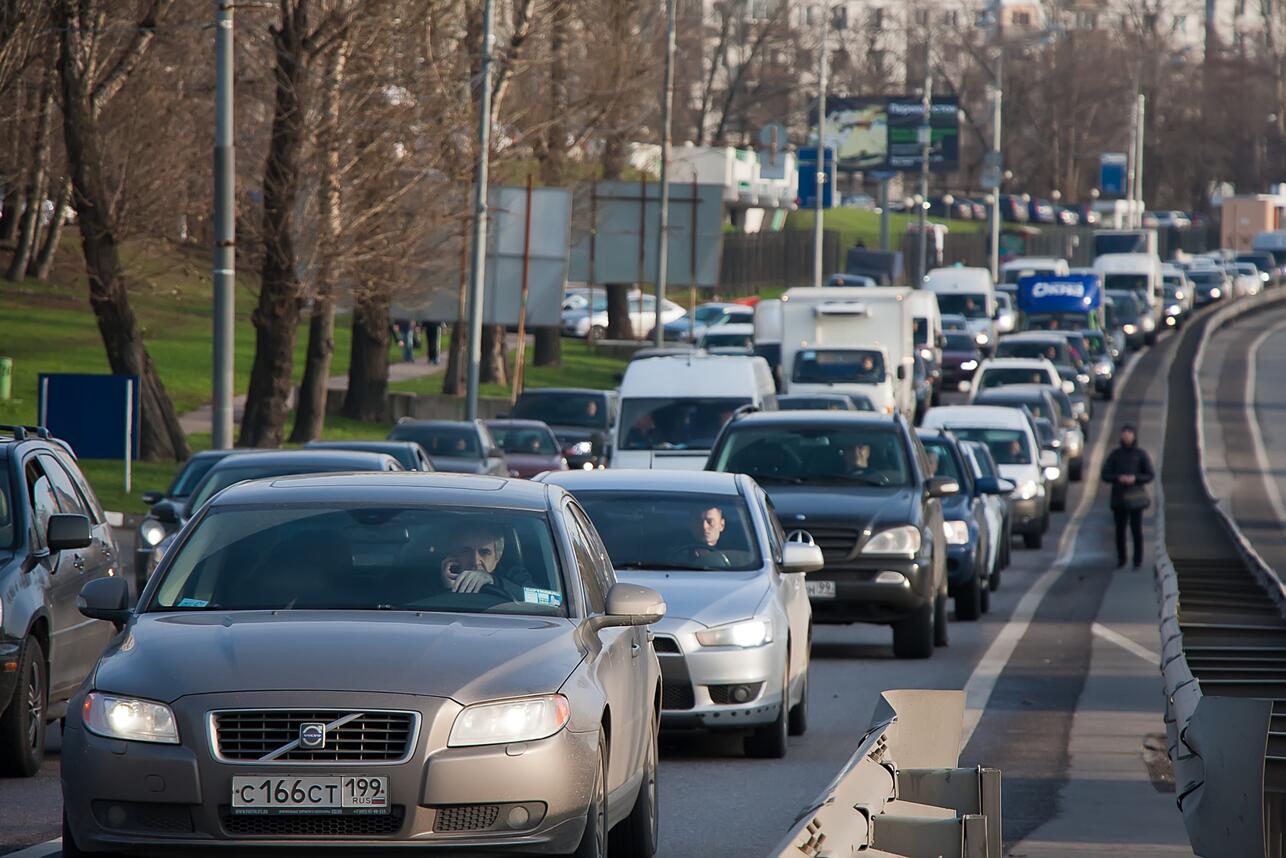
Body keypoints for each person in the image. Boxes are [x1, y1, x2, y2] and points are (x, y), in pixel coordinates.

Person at [1100, 423, 1155, 569]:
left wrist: (1135, 479)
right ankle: (1121, 558)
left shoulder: (1140, 454)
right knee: (1120, 531)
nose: (1127, 436)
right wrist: (1118, 478)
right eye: (1124, 433)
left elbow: (1149, 474)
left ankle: (1137, 560)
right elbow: (1105, 474)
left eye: (1129, 433)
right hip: (1119, 498)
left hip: (1135, 497)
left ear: (1134, 436)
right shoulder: (1115, 455)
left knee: (1136, 530)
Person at [438, 522, 532, 597]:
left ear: (497, 557)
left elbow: (544, 600)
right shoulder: (431, 578)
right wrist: (449, 590)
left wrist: (494, 582)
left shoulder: (514, 575)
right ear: (453, 554)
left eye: (484, 552)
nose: (475, 561)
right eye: (466, 551)